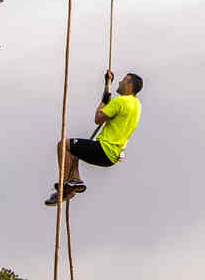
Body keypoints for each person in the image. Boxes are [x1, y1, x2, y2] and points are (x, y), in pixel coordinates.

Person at [45, 71, 143, 206]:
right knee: (73, 152)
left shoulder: (121, 101)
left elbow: (98, 118)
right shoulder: (137, 105)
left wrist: (104, 100)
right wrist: (107, 85)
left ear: (129, 85)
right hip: (112, 156)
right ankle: (73, 182)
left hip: (104, 149)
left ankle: (70, 184)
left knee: (64, 145)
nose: (120, 82)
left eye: (123, 80)